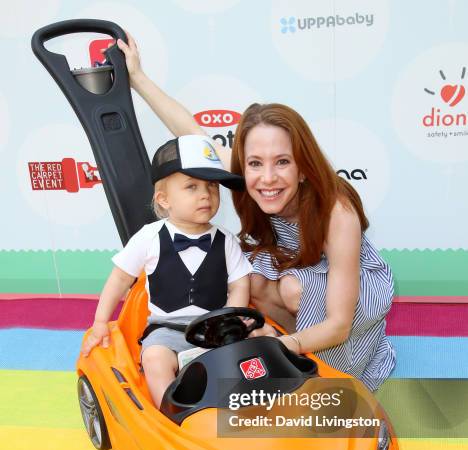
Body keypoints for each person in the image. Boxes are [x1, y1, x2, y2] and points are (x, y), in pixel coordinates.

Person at [116, 35, 395, 391]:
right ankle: (287, 338)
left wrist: (277, 349)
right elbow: (189, 131)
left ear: (303, 167)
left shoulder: (336, 210)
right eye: (255, 164)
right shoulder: (249, 181)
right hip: (291, 262)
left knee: (294, 290)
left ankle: (304, 350)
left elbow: (340, 324)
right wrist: (137, 77)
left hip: (350, 292)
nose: (267, 178)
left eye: (282, 162)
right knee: (248, 280)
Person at [81, 134, 252, 407]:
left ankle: (233, 409)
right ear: (164, 200)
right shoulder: (149, 237)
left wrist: (230, 318)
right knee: (154, 358)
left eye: (211, 186)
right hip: (165, 330)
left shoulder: (227, 240)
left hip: (214, 328)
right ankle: (170, 412)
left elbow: (240, 284)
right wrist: (100, 322)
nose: (205, 194)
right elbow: (120, 278)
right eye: (191, 187)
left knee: (243, 357)